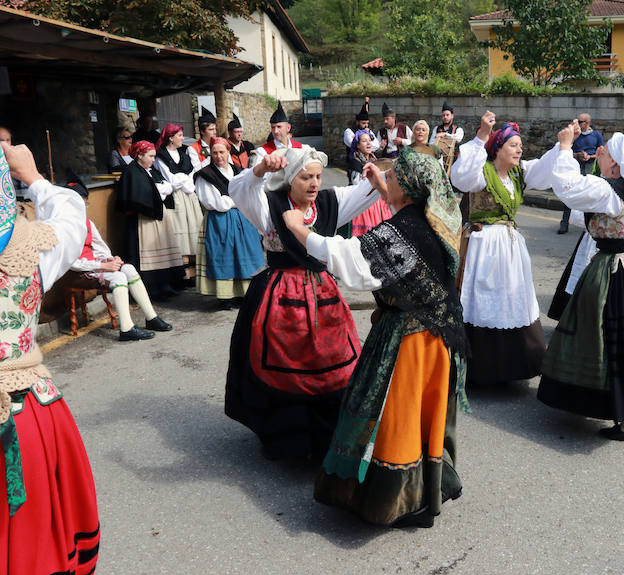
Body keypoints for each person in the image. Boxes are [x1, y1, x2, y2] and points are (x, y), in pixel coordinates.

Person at [299, 148, 467, 528]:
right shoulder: (436, 219)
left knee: (398, 419)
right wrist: (382, 187)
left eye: (393, 177)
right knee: (424, 418)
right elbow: (405, 238)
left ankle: (398, 501)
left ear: (408, 186)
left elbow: (357, 264)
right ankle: (427, 494)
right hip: (437, 339)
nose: (386, 181)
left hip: (406, 340)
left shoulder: (404, 230)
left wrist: (301, 231)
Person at [225, 146, 382, 460]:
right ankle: (288, 440)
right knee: (287, 365)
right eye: (306, 177)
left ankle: (330, 433)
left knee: (333, 362)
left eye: (318, 177)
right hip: (280, 296)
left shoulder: (328, 203)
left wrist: (378, 172)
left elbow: (368, 191)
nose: (314, 183)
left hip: (322, 292)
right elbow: (238, 190)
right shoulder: (270, 206)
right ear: (289, 180)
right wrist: (259, 170)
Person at [0, 140, 99, 575]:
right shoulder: (32, 249)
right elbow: (72, 214)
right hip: (22, 407)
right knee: (30, 530)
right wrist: (34, 178)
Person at [537, 126, 624, 443]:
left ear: (617, 164)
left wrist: (565, 148)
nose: (600, 152)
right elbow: (586, 217)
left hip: (616, 274)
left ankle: (615, 411)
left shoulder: (609, 189)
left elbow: (567, 187)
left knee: (608, 340)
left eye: (605, 150)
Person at [449, 110, 555, 386]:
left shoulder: (518, 174)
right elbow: (460, 178)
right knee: (483, 302)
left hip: (510, 250)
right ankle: (479, 370)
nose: (520, 149)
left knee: (511, 301)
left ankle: (513, 366)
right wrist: (482, 134)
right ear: (498, 148)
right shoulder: (481, 172)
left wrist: (563, 146)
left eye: (520, 145)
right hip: (483, 248)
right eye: (513, 145)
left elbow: (545, 170)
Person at [64, 180, 173, 341]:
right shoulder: (62, 227)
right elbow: (71, 263)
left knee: (128, 269)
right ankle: (126, 328)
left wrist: (110, 259)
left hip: (94, 266)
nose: (82, 207)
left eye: (84, 203)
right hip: (76, 272)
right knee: (119, 277)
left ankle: (151, 318)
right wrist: (103, 265)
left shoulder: (87, 223)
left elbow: (100, 246)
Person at [194, 137, 266, 307]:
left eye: (222, 152)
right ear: (210, 154)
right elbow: (215, 202)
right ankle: (225, 296)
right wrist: (237, 200)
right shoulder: (205, 175)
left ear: (228, 152)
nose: (219, 156)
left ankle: (244, 293)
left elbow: (250, 192)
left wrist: (235, 200)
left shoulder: (238, 171)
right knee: (224, 254)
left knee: (246, 253)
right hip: (220, 220)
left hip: (244, 220)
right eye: (214, 153)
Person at [116, 140, 183, 299]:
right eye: (151, 156)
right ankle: (151, 289)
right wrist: (158, 194)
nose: (154, 160)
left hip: (156, 216)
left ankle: (164, 284)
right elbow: (139, 196)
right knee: (147, 256)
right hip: (143, 221)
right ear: (139, 155)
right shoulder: (132, 172)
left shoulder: (147, 170)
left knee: (161, 251)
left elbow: (163, 186)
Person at [154, 124, 204, 285]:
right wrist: (183, 179)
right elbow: (171, 180)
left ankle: (194, 271)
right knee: (180, 232)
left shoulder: (183, 154)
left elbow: (192, 173)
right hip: (175, 198)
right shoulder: (160, 156)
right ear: (171, 138)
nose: (183, 138)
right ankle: (182, 274)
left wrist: (184, 179)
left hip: (189, 195)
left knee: (193, 230)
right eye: (180, 135)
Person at [558, 113, 603, 234]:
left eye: (580, 121)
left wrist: (590, 156)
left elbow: (601, 153)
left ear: (587, 123)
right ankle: (564, 223)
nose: (577, 123)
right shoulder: (574, 136)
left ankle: (589, 225)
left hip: (590, 167)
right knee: (570, 193)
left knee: (589, 196)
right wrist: (577, 155)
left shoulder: (597, 135)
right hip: (575, 166)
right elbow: (565, 150)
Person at [346, 131, 392, 237]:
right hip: (362, 202)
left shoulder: (373, 160)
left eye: (369, 140)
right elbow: (358, 186)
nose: (368, 143)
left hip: (375, 201)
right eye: (364, 141)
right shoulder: (355, 162)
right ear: (357, 145)